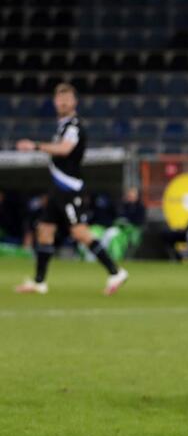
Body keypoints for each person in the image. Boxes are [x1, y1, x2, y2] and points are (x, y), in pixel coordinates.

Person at [14, 83, 128, 295]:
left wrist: (36, 146)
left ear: (75, 102)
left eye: (67, 99)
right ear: (55, 102)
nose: (63, 103)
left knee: (79, 233)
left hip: (70, 189)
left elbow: (65, 149)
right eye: (60, 99)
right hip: (58, 189)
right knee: (45, 230)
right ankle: (39, 282)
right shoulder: (62, 126)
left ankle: (116, 272)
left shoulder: (74, 126)